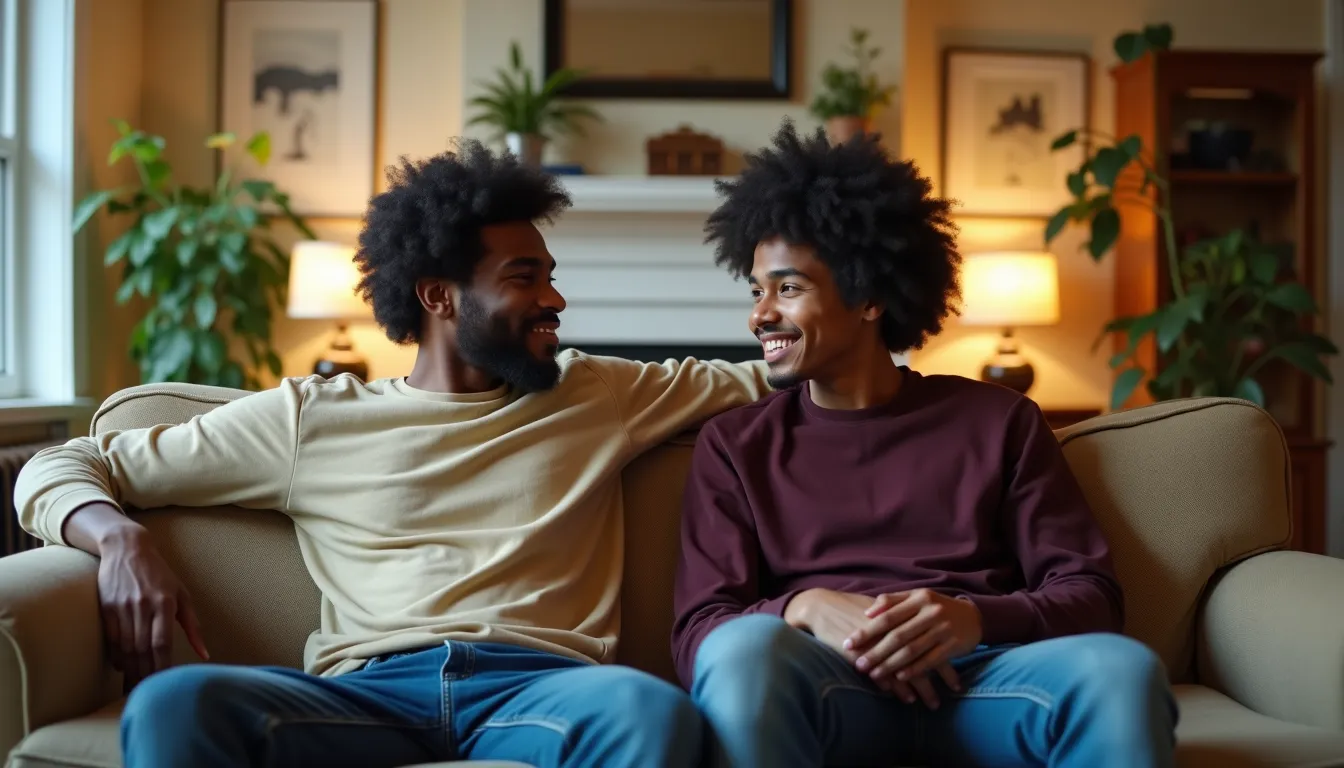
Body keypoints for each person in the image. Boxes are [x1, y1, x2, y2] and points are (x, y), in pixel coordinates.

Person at [16, 139, 774, 768]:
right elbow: (67, 463)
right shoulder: (310, 420)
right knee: (174, 705)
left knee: (645, 711)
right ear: (439, 296)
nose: (555, 300)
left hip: (542, 692)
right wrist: (116, 541)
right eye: (525, 277)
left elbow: (775, 373)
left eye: (551, 276)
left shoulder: (596, 393)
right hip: (365, 695)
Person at [671, 121, 1178, 768]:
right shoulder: (735, 445)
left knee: (1122, 672)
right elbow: (698, 635)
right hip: (826, 690)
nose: (759, 315)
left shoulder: (1000, 422)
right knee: (741, 652)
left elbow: (1091, 594)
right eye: (756, 290)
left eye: (788, 288)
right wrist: (804, 606)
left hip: (985, 685)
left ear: (870, 297)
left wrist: (973, 619)